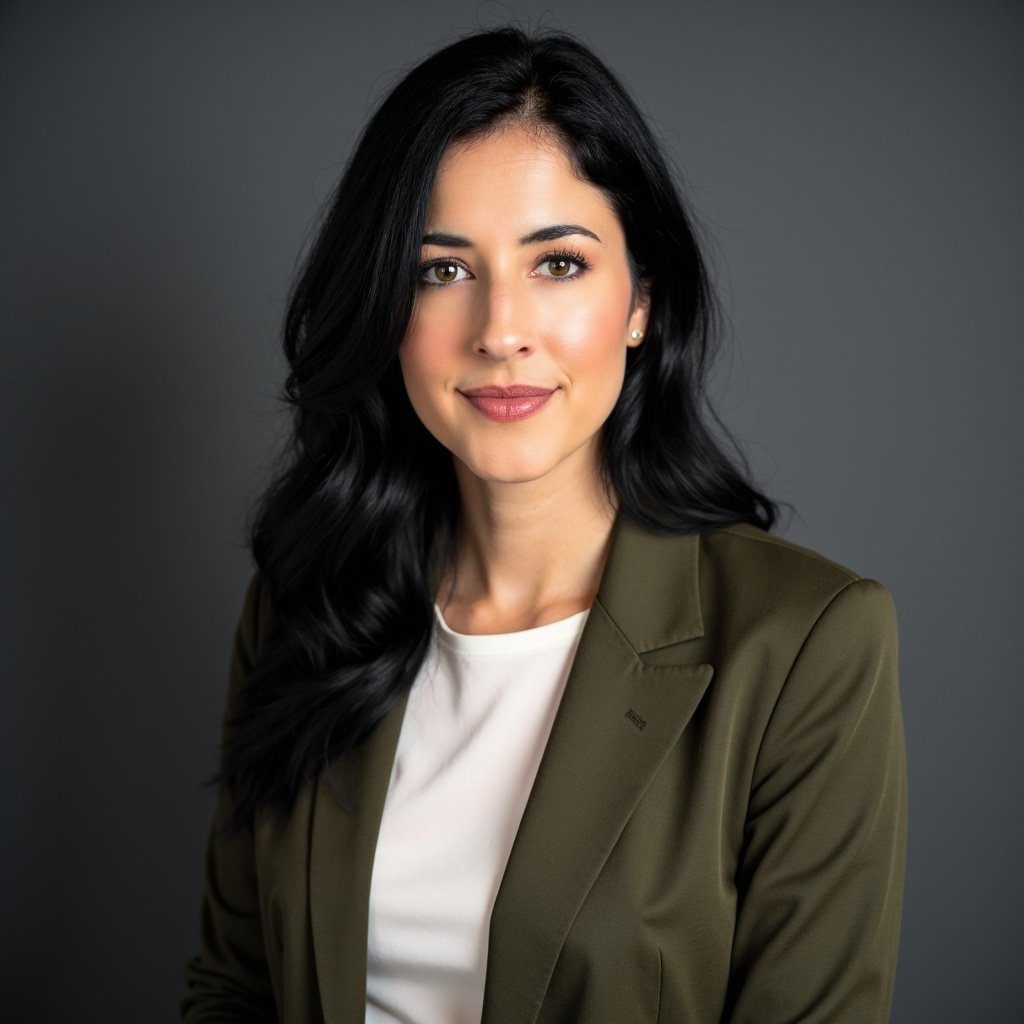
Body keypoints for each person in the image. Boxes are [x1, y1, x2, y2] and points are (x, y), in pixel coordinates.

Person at [181, 26, 906, 1024]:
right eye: (442, 270)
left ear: (641, 298)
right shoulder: (308, 605)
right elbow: (233, 986)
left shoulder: (804, 643)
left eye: (556, 263)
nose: (500, 329)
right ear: (385, 306)